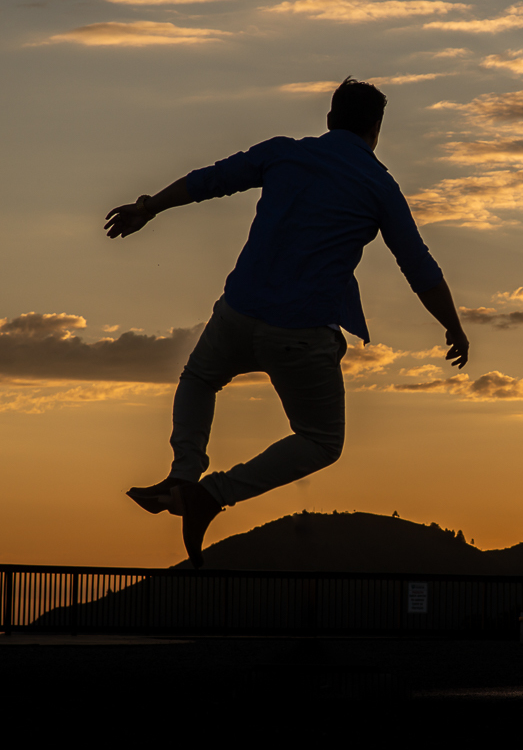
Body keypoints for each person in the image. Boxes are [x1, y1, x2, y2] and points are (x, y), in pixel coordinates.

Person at [104, 77, 469, 568]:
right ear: (376, 129)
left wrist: (148, 207)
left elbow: (208, 180)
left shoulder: (283, 153)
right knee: (321, 441)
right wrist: (453, 326)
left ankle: (183, 474)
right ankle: (210, 495)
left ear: (329, 120)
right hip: (303, 332)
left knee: (199, 378)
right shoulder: (379, 185)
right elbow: (419, 267)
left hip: (239, 312)